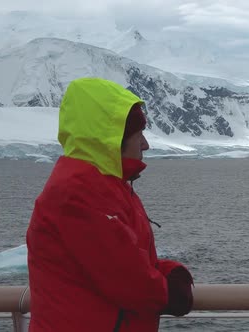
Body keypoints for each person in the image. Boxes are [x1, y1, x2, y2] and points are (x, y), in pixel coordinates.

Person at [26, 77, 193, 331]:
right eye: (140, 136)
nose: (146, 145)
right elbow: (129, 282)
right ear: (113, 139)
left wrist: (169, 271)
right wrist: (170, 292)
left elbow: (125, 259)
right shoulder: (79, 194)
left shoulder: (105, 187)